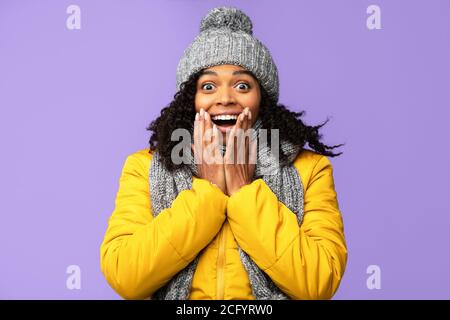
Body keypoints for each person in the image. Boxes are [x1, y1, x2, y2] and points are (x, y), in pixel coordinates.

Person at [100, 6, 347, 300]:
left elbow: (319, 282)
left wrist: (244, 192)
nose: (226, 98)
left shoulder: (309, 168)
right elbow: (126, 276)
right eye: (208, 86)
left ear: (262, 99)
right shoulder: (144, 167)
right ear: (190, 99)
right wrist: (210, 191)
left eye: (243, 85)